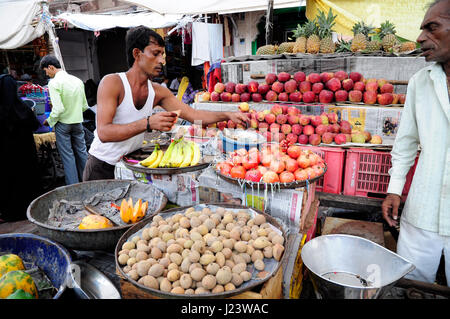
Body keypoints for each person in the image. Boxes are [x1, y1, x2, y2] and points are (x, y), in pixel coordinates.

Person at [83, 26, 248, 181]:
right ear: (137, 54)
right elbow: (104, 132)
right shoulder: (112, 83)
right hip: (102, 166)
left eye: (162, 54)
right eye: (155, 54)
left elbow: (195, 115)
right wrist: (148, 123)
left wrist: (227, 114)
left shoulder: (157, 91)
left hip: (132, 164)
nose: (162, 60)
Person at [381, 0, 450, 285]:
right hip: (422, 214)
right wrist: (394, 190)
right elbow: (406, 143)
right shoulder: (420, 82)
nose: (420, 37)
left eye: (431, 27)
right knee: (411, 285)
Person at [40, 55, 89, 185]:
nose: (47, 74)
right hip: (78, 123)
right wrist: (74, 112)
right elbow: (84, 106)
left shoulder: (54, 83)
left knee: (68, 157)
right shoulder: (77, 80)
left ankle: (73, 186)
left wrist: (49, 121)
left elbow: (58, 109)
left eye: (46, 71)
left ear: (51, 67)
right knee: (82, 153)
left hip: (63, 124)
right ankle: (87, 182)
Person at [0, 74, 41, 221]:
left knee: (9, 183)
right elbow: (36, 125)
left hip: (6, 158)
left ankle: (11, 213)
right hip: (26, 156)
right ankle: (33, 210)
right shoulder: (23, 108)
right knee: (27, 180)